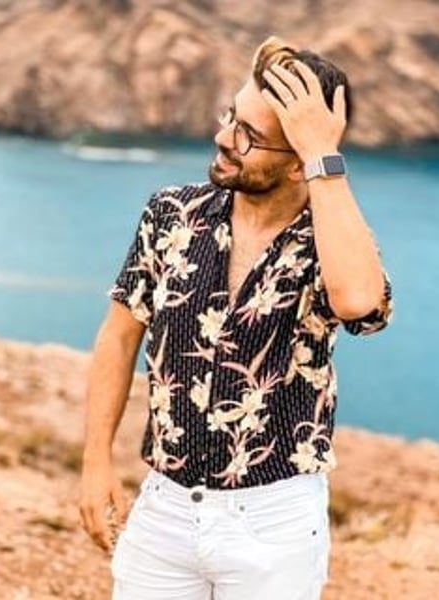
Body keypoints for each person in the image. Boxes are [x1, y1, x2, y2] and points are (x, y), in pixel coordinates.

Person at [80, 36, 393, 600]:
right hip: (164, 509)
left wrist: (324, 157)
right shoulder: (171, 213)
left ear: (298, 165)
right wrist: (95, 460)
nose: (224, 138)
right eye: (230, 115)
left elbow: (358, 303)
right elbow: (119, 337)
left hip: (275, 522)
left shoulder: (333, 240)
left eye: (249, 135)